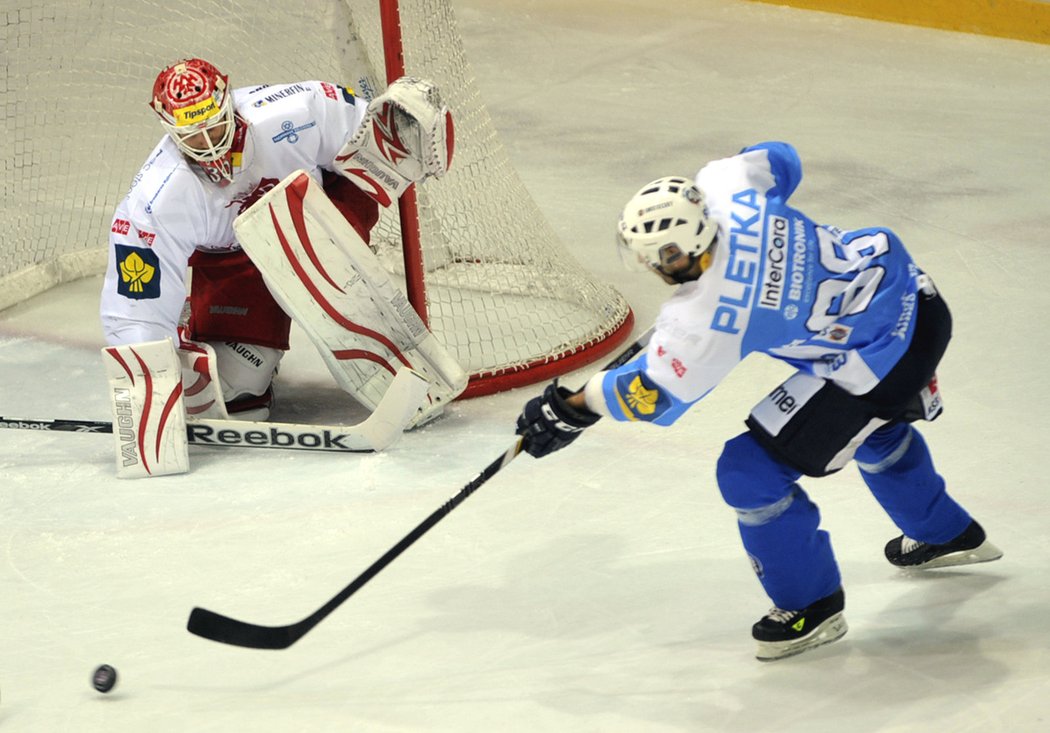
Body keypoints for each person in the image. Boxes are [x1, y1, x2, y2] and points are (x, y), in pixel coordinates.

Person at [514, 141, 1001, 662]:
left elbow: (654, 395)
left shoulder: (706, 319)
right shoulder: (726, 188)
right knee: (869, 428)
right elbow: (780, 158)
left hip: (880, 357)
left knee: (749, 472)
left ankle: (812, 605)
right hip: (913, 297)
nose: (651, 266)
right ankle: (947, 534)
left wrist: (576, 402)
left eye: (658, 257)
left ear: (680, 254)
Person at [100, 58, 451, 420]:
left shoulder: (301, 110)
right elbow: (135, 304)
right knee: (235, 396)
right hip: (234, 263)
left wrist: (407, 130)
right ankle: (202, 330)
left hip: (318, 220)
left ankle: (391, 356)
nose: (208, 145)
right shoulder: (157, 198)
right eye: (191, 135)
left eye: (214, 127)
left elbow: (374, 142)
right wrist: (151, 378)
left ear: (227, 104)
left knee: (314, 250)